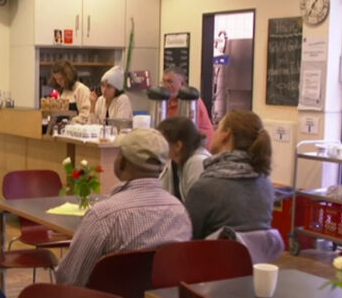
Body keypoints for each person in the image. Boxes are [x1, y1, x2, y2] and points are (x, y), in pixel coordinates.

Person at [55, 128, 192, 287]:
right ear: (161, 167)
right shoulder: (180, 212)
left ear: (122, 162)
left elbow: (68, 279)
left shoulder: (103, 216)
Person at [186, 110, 275, 239]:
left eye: (218, 128)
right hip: (255, 258)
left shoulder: (205, 188)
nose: (213, 133)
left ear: (226, 134)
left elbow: (186, 237)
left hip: (213, 257)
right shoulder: (265, 183)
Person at [157, 117, 210, 204]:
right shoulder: (173, 161)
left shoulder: (197, 162)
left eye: (161, 141)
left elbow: (197, 204)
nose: (158, 146)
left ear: (178, 146)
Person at [162, 66, 215, 142]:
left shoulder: (192, 102)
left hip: (199, 147)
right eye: (164, 81)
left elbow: (184, 131)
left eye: (170, 81)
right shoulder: (168, 101)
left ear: (182, 84)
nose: (165, 86)